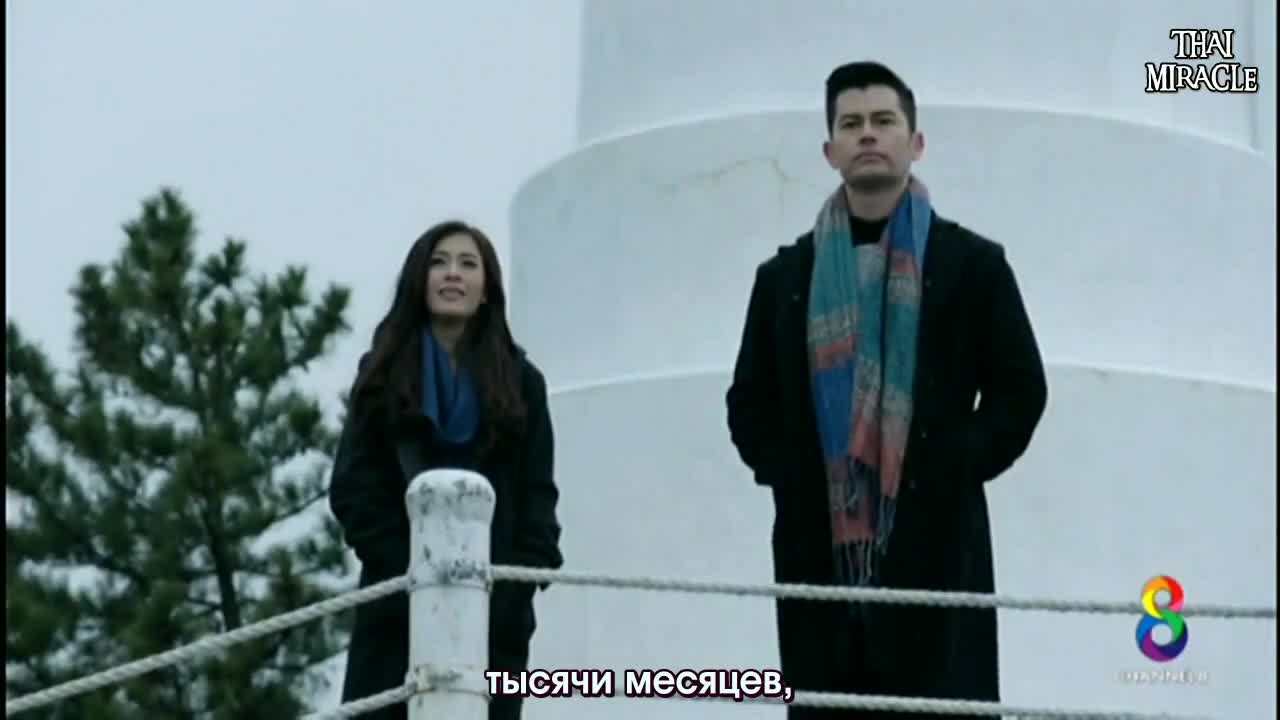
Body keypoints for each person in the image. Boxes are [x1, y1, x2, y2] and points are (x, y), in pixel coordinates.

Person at [724, 61, 1048, 718]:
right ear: (830, 150)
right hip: (819, 554)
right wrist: (791, 472)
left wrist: (956, 463)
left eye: (883, 121)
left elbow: (1020, 390)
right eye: (851, 124)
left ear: (915, 141)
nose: (867, 135)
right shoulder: (785, 278)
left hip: (938, 546)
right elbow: (748, 403)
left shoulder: (973, 266)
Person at [329, 220, 564, 720]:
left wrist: (507, 591)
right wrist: (415, 575)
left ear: (487, 288)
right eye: (438, 262)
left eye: (467, 264)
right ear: (419, 280)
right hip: (395, 609)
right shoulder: (381, 376)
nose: (452, 273)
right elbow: (354, 489)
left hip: (497, 620)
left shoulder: (524, 385)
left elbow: (539, 503)